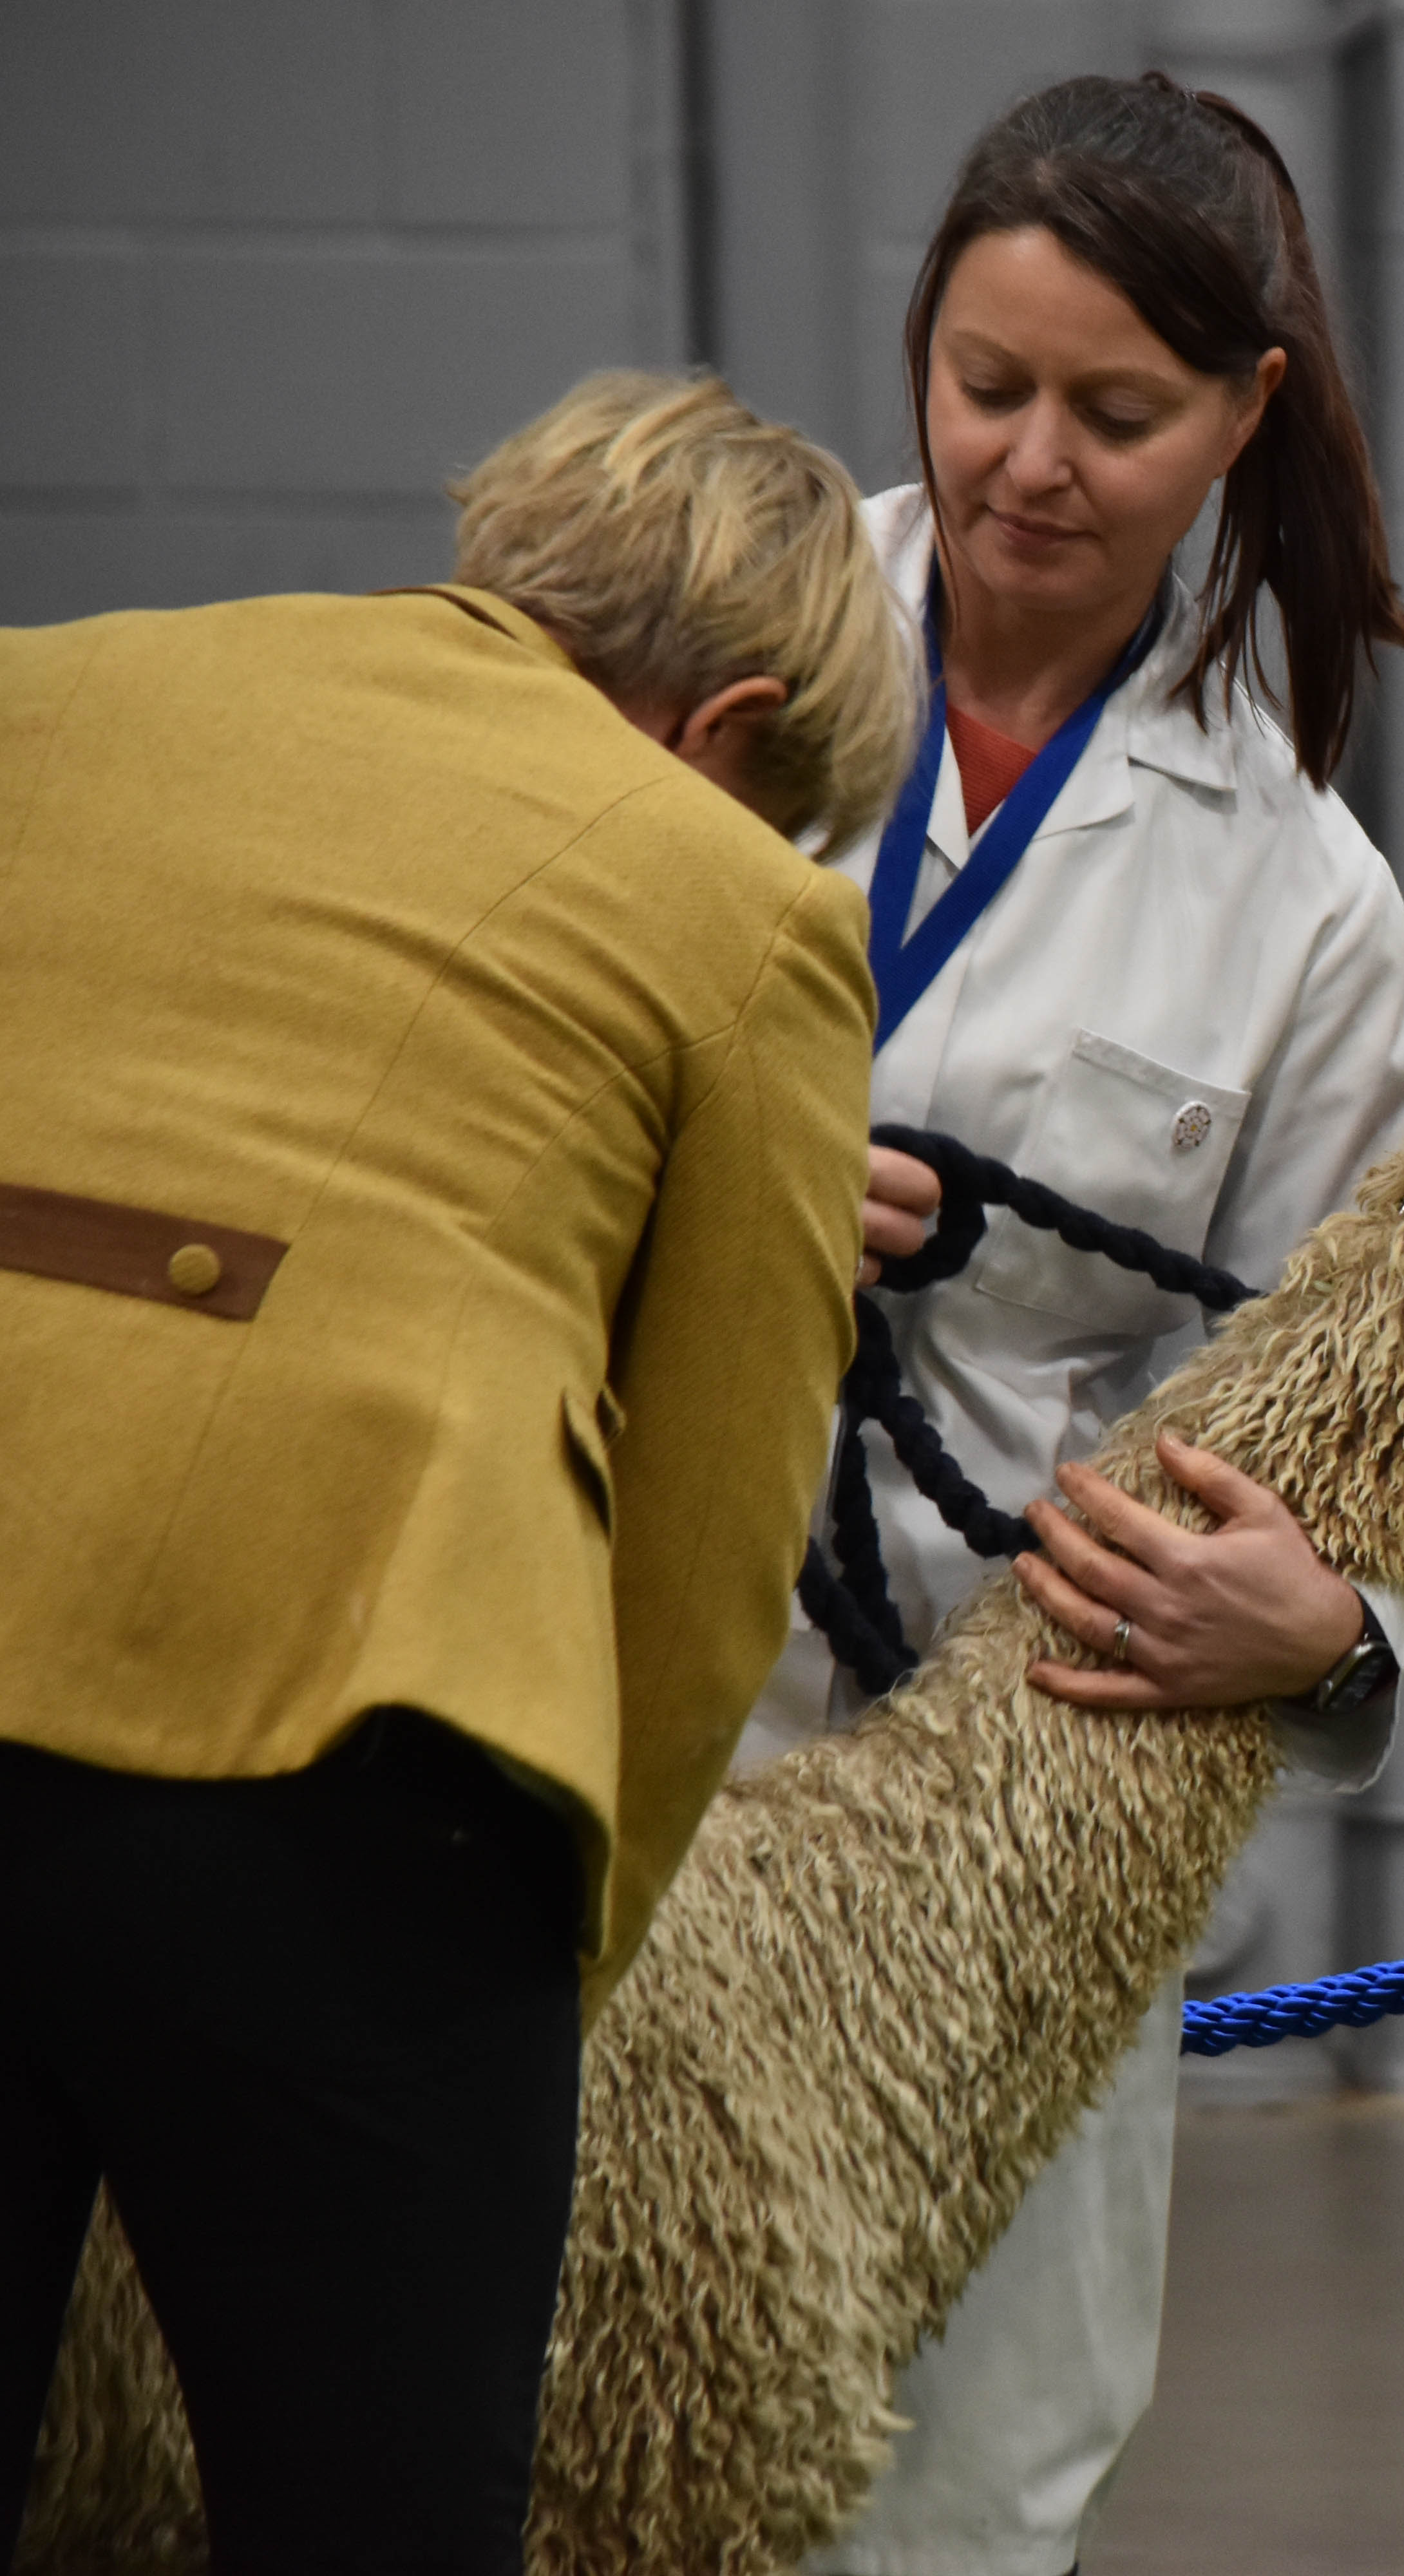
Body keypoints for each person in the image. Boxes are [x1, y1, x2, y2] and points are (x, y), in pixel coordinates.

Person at [0, 371, 904, 2569]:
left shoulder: (49, 691)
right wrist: (554, 1966)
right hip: (336, 1754)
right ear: (727, 728)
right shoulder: (746, 915)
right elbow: (709, 1553)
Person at [735, 71, 1404, 2575]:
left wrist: (1331, 1623)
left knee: (975, 2467)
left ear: (1243, 415)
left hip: (1025, 1762)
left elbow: (1373, 1397)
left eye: (1116, 415)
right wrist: (713, 1191)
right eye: (984, 383)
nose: (1029, 463)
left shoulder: (1301, 894)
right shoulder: (696, 661)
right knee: (574, 2414)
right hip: (634, 1705)